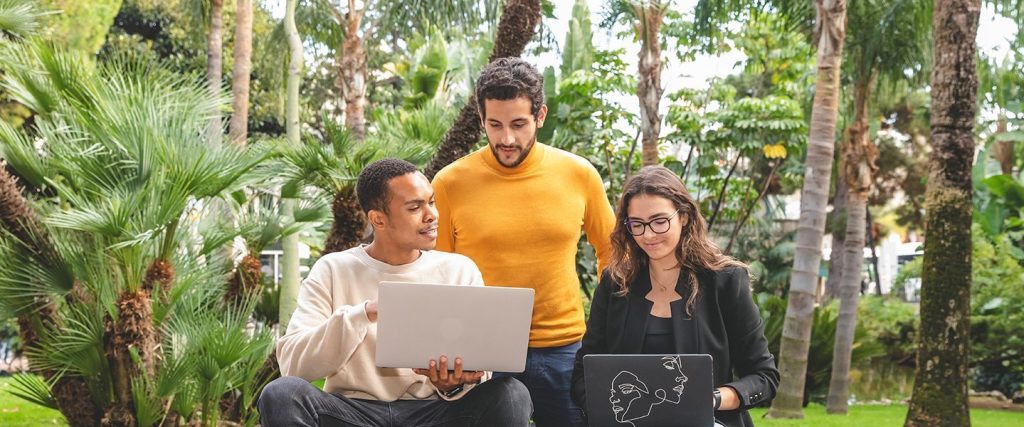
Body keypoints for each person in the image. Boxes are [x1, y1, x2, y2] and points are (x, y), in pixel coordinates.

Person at [258, 158, 532, 427]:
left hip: (434, 412)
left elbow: (480, 368)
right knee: (281, 394)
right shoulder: (333, 269)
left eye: (432, 202)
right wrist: (363, 313)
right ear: (378, 220)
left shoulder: (459, 269)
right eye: (415, 207)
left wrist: (451, 386)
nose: (432, 215)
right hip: (352, 412)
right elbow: (293, 365)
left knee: (511, 394)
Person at [432, 57, 616, 427]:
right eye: (494, 125)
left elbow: (612, 253)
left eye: (518, 124)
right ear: (481, 119)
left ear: (541, 115)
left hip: (565, 347)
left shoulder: (580, 174)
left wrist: (609, 327)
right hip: (482, 351)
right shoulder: (449, 183)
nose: (506, 139)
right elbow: (435, 273)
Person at [571, 166, 779, 427]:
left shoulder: (726, 281)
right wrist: (610, 410)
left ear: (683, 216)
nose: (648, 234)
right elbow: (583, 375)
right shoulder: (615, 284)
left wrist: (710, 399)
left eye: (659, 221)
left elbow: (764, 377)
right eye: (637, 224)